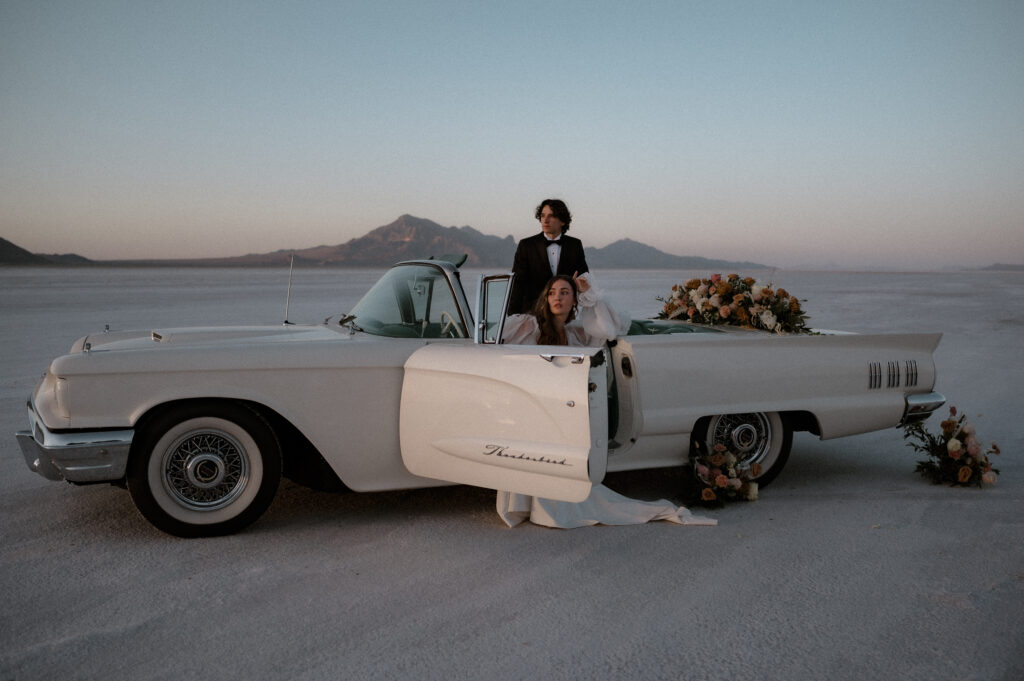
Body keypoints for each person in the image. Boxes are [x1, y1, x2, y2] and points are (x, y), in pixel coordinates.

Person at [496, 274, 716, 529]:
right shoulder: (528, 325)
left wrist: (591, 295)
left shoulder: (577, 332)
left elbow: (611, 329)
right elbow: (495, 347)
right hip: (535, 406)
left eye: (565, 292)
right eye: (552, 292)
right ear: (545, 299)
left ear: (574, 300)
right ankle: (530, 503)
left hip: (566, 407)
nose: (557, 297)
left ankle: (552, 500)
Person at [507, 199, 590, 315]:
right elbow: (517, 284)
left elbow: (583, 277)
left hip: (564, 315)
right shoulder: (526, 245)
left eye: (551, 216)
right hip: (533, 313)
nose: (545, 220)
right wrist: (512, 316)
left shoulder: (574, 245)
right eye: (542, 216)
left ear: (562, 221)